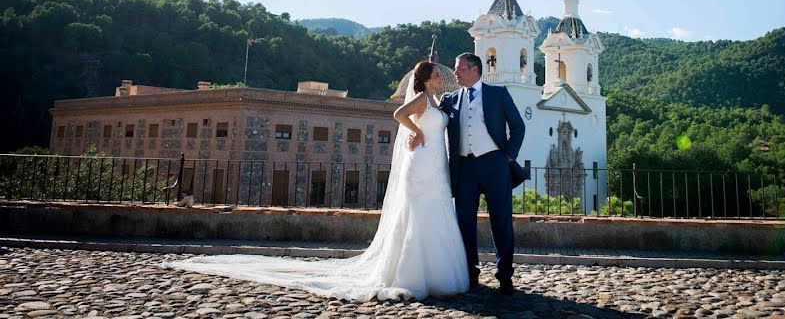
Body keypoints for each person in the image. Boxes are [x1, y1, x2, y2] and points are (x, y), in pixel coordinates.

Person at [166, 61, 468, 302]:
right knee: (417, 213)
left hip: (435, 165)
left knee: (435, 210)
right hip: (422, 162)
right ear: (427, 78)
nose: (443, 77)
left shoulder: (435, 99)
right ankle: (413, 274)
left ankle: (437, 274)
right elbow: (398, 113)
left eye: (442, 74)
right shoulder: (418, 100)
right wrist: (418, 132)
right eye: (438, 74)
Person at [439, 52, 526, 296]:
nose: (455, 73)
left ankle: (504, 275)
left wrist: (508, 156)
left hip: (495, 165)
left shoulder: (498, 94)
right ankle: (470, 272)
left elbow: (518, 127)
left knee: (501, 222)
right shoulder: (452, 99)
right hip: (464, 168)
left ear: (474, 70)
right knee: (464, 222)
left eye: (459, 69)